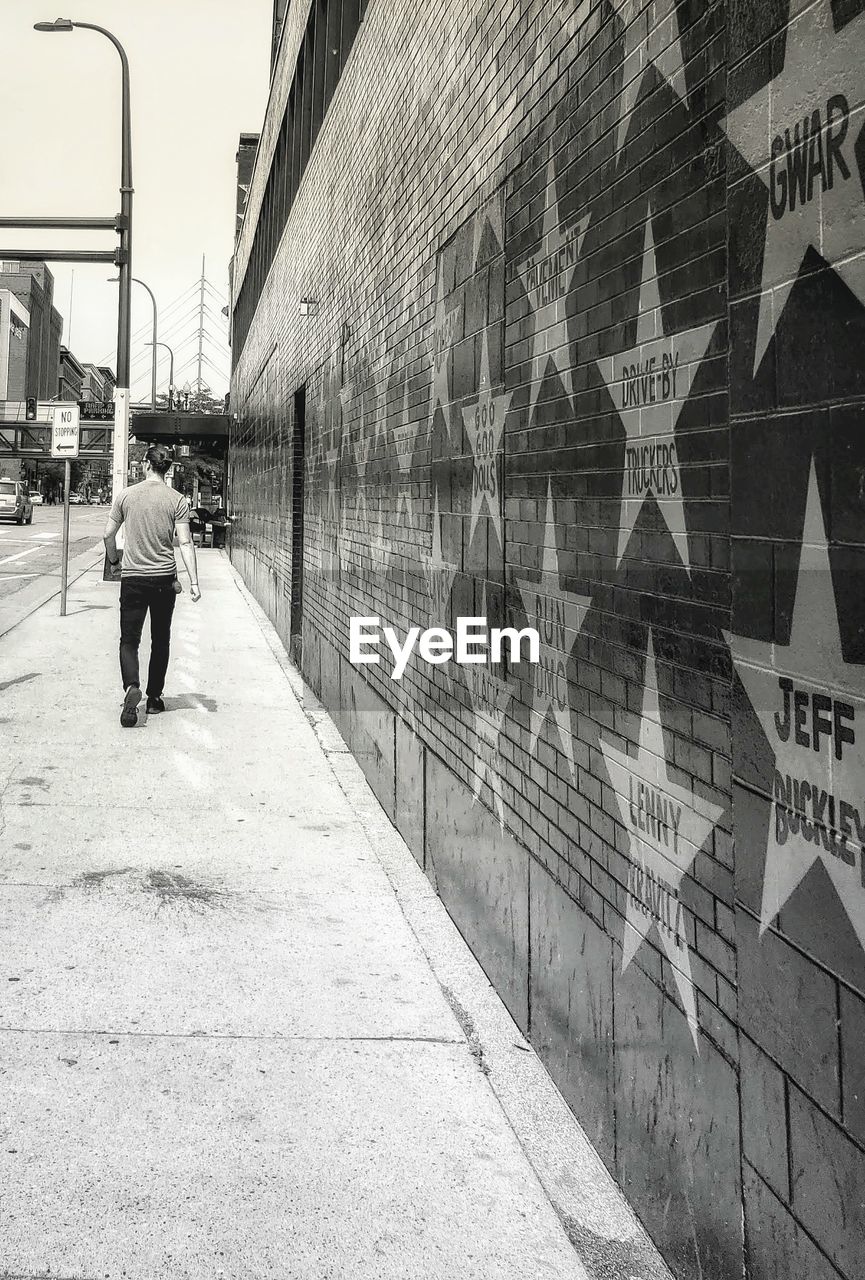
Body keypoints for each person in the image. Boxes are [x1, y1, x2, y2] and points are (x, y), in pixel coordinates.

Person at [103, 444, 201, 728]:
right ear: (167, 468)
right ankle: (155, 698)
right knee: (160, 639)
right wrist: (194, 581)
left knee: (129, 639)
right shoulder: (177, 500)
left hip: (133, 579)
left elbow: (108, 535)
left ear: (146, 464)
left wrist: (113, 561)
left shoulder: (126, 496)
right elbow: (184, 542)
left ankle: (131, 686)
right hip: (164, 580)